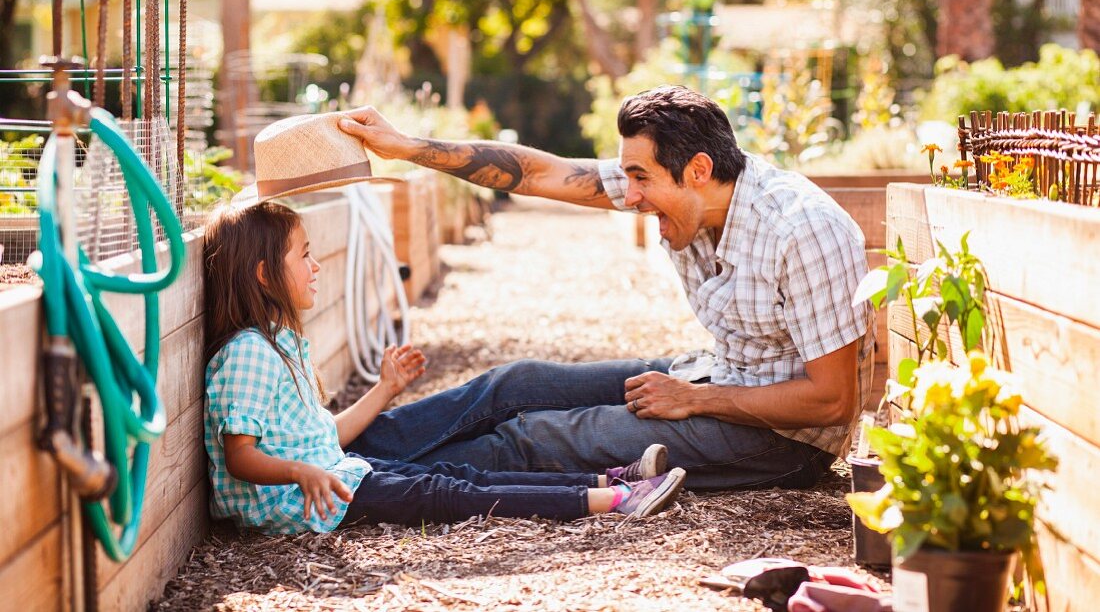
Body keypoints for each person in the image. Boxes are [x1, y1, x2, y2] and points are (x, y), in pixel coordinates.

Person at [335, 85, 875, 491]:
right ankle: (324, 447)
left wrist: (697, 399)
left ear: (698, 170)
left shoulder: (801, 230)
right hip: (718, 376)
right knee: (514, 385)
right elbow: (538, 173)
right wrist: (406, 147)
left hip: (782, 441)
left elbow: (832, 402)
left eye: (641, 179)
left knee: (535, 439)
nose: (629, 196)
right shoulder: (683, 188)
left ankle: (349, 483)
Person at [201, 200, 688, 535]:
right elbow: (240, 457)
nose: (316, 266)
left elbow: (320, 436)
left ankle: (606, 482)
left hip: (332, 476)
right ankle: (616, 500)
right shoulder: (248, 353)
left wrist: (384, 389)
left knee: (457, 475)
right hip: (306, 500)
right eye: (304, 255)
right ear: (264, 275)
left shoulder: (278, 344)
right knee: (449, 492)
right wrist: (299, 472)